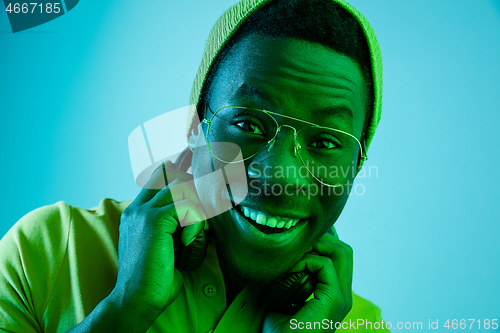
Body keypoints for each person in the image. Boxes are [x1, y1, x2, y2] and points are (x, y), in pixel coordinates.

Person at [0, 0, 388, 331]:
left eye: (325, 142)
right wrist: (122, 312)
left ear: (355, 167)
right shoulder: (50, 248)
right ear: (193, 126)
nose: (279, 176)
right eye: (248, 124)